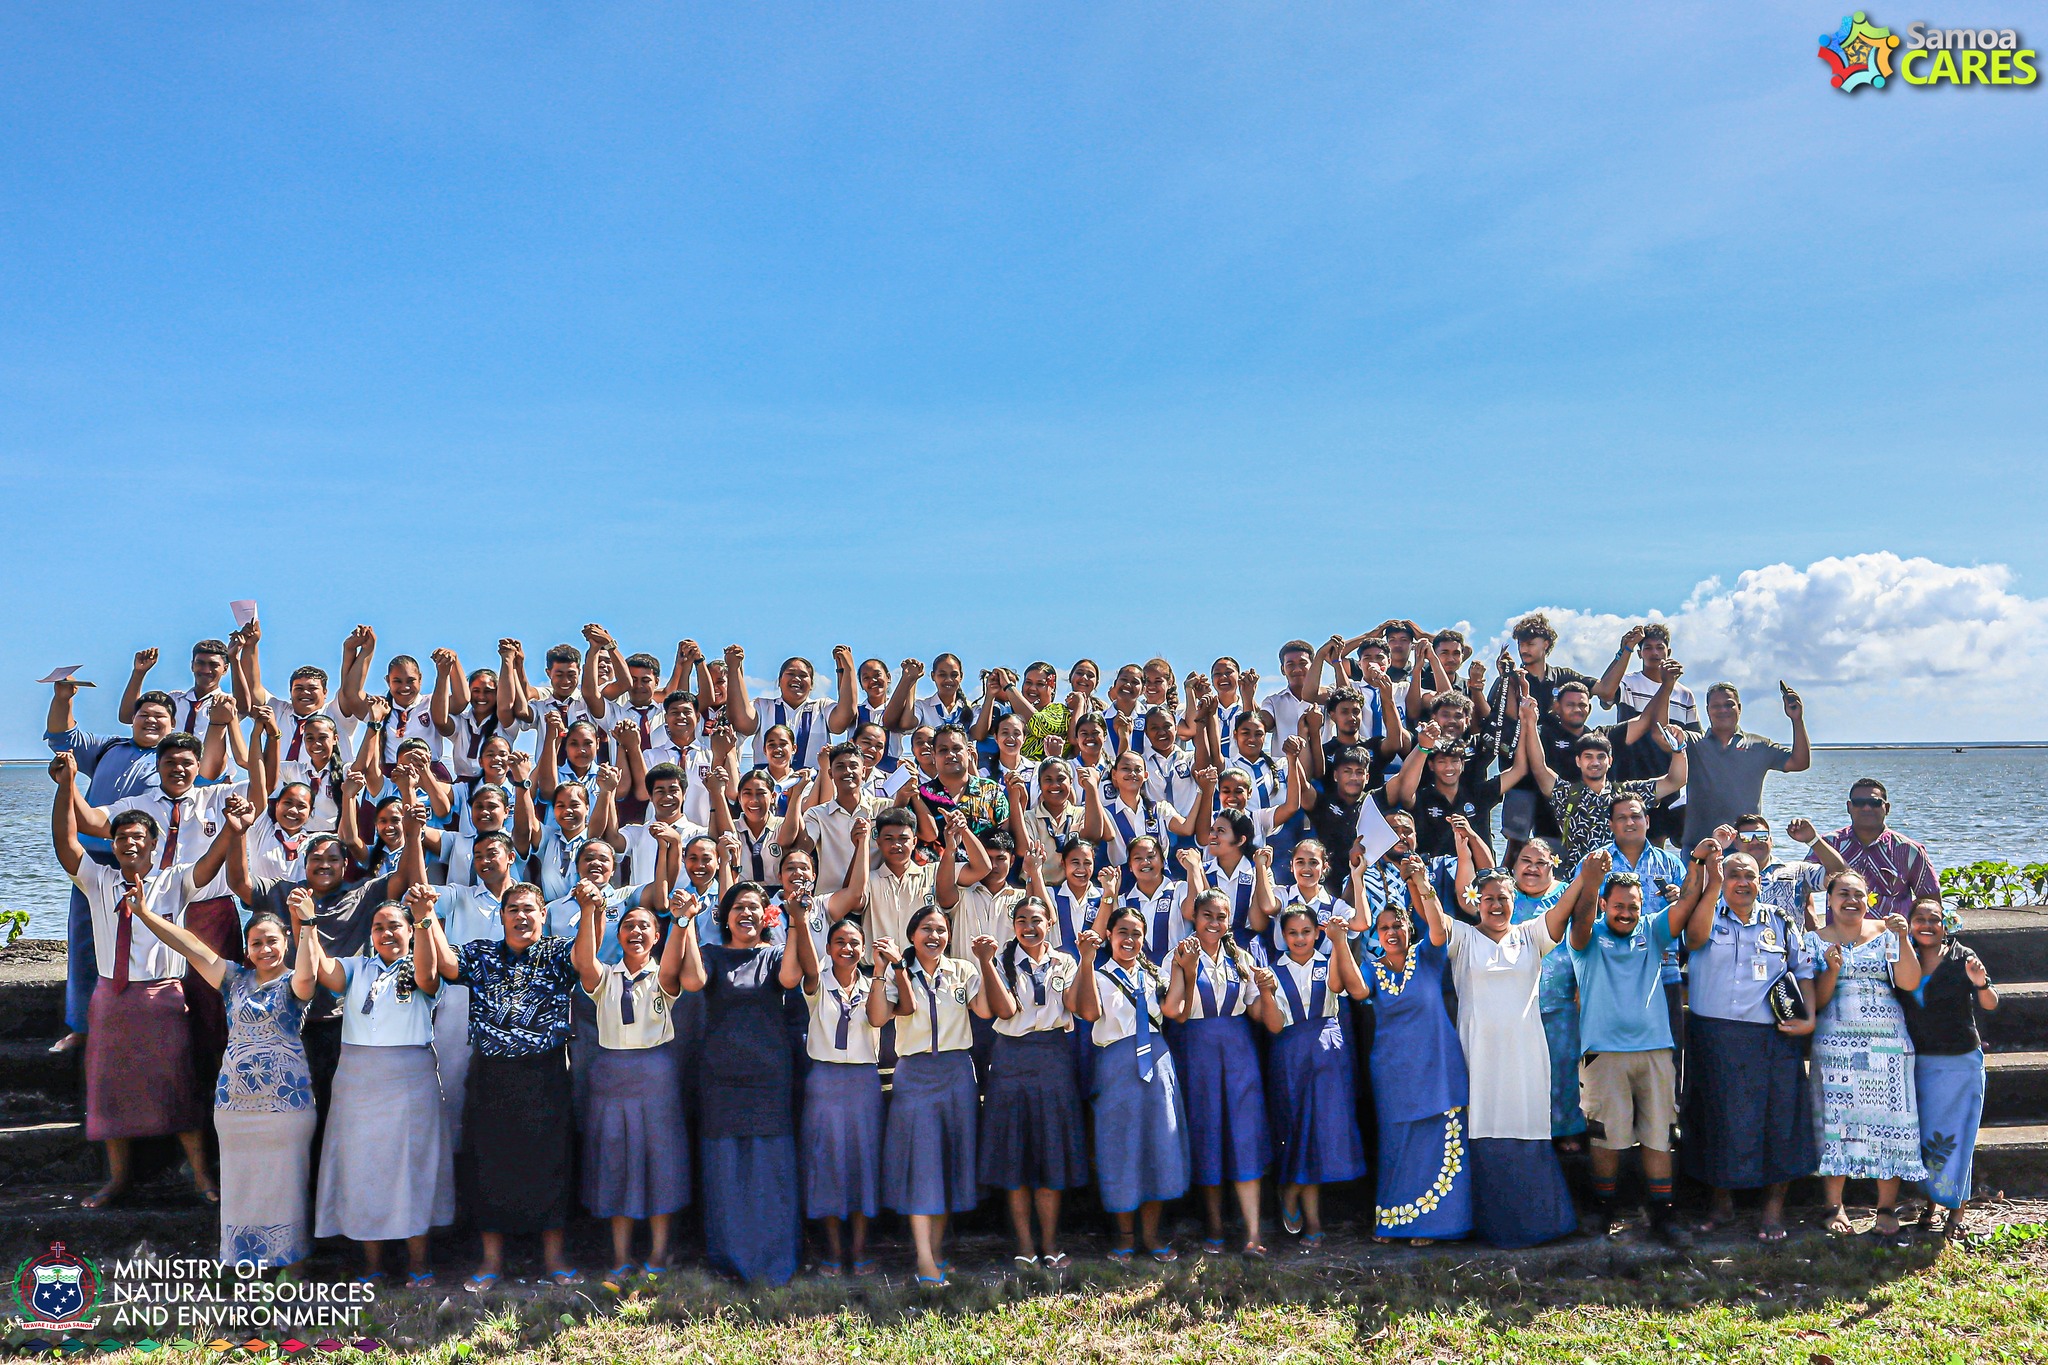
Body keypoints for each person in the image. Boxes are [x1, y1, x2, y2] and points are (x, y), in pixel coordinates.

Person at [49, 753, 248, 1208]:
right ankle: (117, 1180)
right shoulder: (98, 880)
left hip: (163, 998)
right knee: (108, 1090)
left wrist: (233, 830)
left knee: (178, 1085)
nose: (130, 844)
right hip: (111, 999)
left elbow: (210, 864)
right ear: (114, 845)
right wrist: (66, 787)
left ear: (154, 844)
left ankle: (201, 1176)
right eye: (122, 838)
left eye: (139, 837)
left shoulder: (174, 881)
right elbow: (66, 844)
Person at [127, 887, 318, 1269]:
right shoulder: (233, 979)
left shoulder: (295, 982)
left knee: (286, 1185)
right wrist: (145, 914)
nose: (265, 949)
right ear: (247, 949)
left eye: (272, 941)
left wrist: (308, 923)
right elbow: (190, 946)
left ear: (286, 943)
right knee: (242, 1186)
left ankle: (292, 1268)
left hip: (286, 1105)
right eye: (256, 943)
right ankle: (247, 1265)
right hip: (235, 1105)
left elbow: (310, 972)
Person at [414, 882, 582, 1289]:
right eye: (513, 910)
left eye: (529, 909)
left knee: (551, 1165)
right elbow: (448, 966)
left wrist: (592, 911)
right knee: (488, 1166)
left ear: (543, 915)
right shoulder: (482, 954)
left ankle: (554, 1259)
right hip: (491, 1075)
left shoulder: (559, 952)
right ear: (502, 916)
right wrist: (427, 914)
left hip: (545, 1075)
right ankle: (491, 1261)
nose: (521, 916)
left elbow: (585, 962)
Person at [309, 886, 455, 1286]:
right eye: (378, 927)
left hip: (410, 1081)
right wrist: (305, 923)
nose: (386, 933)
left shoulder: (421, 963)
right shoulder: (357, 967)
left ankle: (418, 1264)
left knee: (413, 1167)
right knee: (362, 1168)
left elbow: (427, 977)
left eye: (394, 926)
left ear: (409, 931)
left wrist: (424, 919)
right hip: (357, 1082)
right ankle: (371, 1265)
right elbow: (324, 971)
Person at [1562, 852, 1705, 1248]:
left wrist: (1699, 862)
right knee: (1606, 1139)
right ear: (1604, 904)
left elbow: (1687, 902)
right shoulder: (1587, 936)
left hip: (1655, 1050)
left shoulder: (1654, 930)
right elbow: (1580, 922)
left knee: (1659, 1136)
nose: (1626, 913)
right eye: (1619, 906)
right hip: (1603, 1054)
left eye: (1633, 907)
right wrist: (1592, 879)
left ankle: (1662, 1214)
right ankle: (1604, 1208)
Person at [1679, 844, 1821, 1242]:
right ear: (1722, 879)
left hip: (1770, 1039)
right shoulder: (1706, 914)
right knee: (1714, 1120)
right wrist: (1709, 880)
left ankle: (1772, 1212)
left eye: (1750, 876)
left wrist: (1808, 1019)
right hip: (1714, 1037)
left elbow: (1803, 970)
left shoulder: (1780, 921)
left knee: (1779, 1122)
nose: (1742, 882)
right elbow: (1692, 940)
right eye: (1733, 875)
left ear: (1761, 881)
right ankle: (1720, 1206)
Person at [1443, 867, 1579, 1248]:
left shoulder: (1530, 935)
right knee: (1482, 1127)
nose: (1496, 905)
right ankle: (1486, 1227)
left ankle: (1539, 1226)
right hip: (1479, 1059)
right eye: (1488, 898)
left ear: (1514, 901)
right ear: (1477, 902)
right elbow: (1436, 919)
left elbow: (1561, 912)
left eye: (1503, 898)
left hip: (1525, 1059)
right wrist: (1420, 883)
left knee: (1526, 1126)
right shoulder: (1464, 937)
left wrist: (1584, 878)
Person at [45, 679, 183, 1052]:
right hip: (95, 859)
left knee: (149, 944)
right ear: (131, 720)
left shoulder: (174, 762)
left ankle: (143, 1024)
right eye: (144, 714)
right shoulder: (109, 747)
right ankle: (81, 1027)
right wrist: (63, 698)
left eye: (160, 716)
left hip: (148, 863)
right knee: (85, 942)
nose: (151, 720)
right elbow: (62, 736)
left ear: (172, 725)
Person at [676, 881, 803, 1285]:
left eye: (753, 907)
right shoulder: (712, 954)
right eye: (738, 908)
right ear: (726, 917)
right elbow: (692, 982)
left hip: (769, 1077)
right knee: (726, 1170)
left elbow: (791, 979)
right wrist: (686, 922)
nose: (746, 914)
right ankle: (729, 1261)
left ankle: (774, 1261)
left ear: (767, 916)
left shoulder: (775, 954)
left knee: (770, 1169)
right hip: (721, 1077)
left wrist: (796, 921)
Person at [569, 876, 692, 1279]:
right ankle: (620, 1257)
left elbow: (674, 963)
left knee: (659, 1161)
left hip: (655, 1076)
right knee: (615, 1162)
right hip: (611, 1076)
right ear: (618, 935)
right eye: (628, 926)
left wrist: (680, 921)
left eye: (644, 926)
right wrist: (589, 911)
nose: (636, 932)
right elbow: (583, 961)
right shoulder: (605, 977)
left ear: (656, 936)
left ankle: (658, 1254)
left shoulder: (662, 977)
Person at [873, 905, 996, 1287]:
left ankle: (937, 1250)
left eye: (942, 930)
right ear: (912, 935)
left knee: (947, 1164)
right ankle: (924, 1259)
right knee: (922, 1166)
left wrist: (986, 962)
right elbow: (878, 1017)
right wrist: (888, 967)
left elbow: (986, 1010)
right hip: (916, 1075)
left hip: (957, 1073)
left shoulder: (963, 970)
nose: (935, 936)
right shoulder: (899, 971)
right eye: (927, 929)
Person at [1810, 869, 1926, 1238]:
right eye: (1843, 893)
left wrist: (1903, 938)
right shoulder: (1814, 940)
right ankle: (1834, 1206)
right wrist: (1832, 970)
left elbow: (1908, 981)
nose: (1851, 900)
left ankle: (1886, 1207)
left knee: (1892, 1121)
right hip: (1835, 1045)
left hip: (1888, 1043)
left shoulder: (1887, 933)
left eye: (1859, 894)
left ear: (1868, 900)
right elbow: (1817, 1000)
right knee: (1836, 1124)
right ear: (1829, 900)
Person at [1363, 861, 1473, 1246]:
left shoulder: (1426, 957)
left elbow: (1439, 928)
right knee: (1398, 1147)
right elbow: (1354, 990)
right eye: (1384, 928)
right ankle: (1395, 1223)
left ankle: (1438, 1226)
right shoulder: (1371, 969)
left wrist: (1421, 883)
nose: (1392, 932)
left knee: (1440, 1144)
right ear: (1377, 935)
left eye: (1398, 925)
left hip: (1438, 1068)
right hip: (1394, 1072)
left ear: (1410, 928)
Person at [976, 895, 1089, 1269]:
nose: (1029, 927)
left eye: (1036, 920)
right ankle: (1025, 1246)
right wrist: (986, 962)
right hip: (1011, 1059)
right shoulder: (1001, 961)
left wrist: (1087, 960)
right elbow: (1005, 1010)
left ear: (1049, 924)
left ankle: (1051, 1243)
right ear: (1013, 926)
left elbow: (1077, 1006)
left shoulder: (1064, 961)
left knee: (1050, 1153)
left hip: (1053, 1058)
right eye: (1022, 920)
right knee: (1016, 1155)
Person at [1075, 910, 1191, 1264]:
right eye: (1122, 932)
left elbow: (1175, 1011)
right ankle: (1125, 1238)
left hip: (1157, 1064)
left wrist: (1180, 970)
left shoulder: (1154, 975)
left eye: (1136, 933)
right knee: (1121, 1149)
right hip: (1117, 1068)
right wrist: (1086, 960)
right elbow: (1089, 1013)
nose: (1129, 939)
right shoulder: (1098, 975)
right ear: (1109, 935)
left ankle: (1152, 1236)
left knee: (1158, 1146)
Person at [1164, 889, 1272, 1258]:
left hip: (1239, 1050)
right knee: (1206, 1132)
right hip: (1196, 1050)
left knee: (1245, 1134)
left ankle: (1253, 1232)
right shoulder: (1178, 954)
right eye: (1207, 915)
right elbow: (1175, 1012)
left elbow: (1255, 1011)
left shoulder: (1240, 957)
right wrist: (1188, 971)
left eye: (1221, 916)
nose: (1214, 922)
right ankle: (1214, 1227)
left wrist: (1268, 992)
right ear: (1194, 918)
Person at [1256, 904, 1370, 1250]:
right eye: (1292, 933)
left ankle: (1302, 1205)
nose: (1300, 938)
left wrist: (1339, 942)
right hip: (1291, 1056)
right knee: (1299, 1131)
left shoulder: (1328, 961)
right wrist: (1265, 992)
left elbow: (1356, 990)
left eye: (1306, 931)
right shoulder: (1273, 971)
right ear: (1283, 936)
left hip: (1328, 1055)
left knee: (1322, 1134)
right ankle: (1302, 1208)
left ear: (1316, 933)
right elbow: (1274, 1026)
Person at [1899, 897, 1999, 1239]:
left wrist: (1980, 982)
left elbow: (1991, 1002)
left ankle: (1956, 1213)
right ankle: (1931, 1205)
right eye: (1920, 918)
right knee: (1928, 1138)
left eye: (1934, 919)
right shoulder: (1904, 955)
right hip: (1920, 1063)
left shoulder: (1961, 956)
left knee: (1958, 1137)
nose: (1927, 925)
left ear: (1946, 925)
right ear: (1910, 923)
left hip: (1960, 1063)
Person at [794, 909, 885, 1277]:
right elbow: (807, 964)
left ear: (864, 949)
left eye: (854, 943)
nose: (847, 948)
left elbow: (881, 1017)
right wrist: (800, 922)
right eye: (840, 942)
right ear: (829, 948)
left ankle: (860, 1250)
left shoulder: (875, 983)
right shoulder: (818, 984)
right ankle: (832, 1251)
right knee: (826, 1162)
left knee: (864, 1162)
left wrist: (881, 971)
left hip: (863, 1081)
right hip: (825, 1081)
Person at [1519, 694, 1689, 870]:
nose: (1595, 762)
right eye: (1588, 757)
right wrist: (1530, 723)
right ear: (1578, 761)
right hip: (1578, 878)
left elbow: (1675, 781)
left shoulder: (1629, 795)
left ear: (1610, 761)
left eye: (1601, 757)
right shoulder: (1566, 793)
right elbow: (1539, 767)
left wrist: (1679, 748)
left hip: (1621, 879)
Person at [1680, 682, 1811, 848]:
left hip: (1747, 846)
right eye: (1716, 706)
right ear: (1707, 710)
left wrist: (1797, 719)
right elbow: (1662, 738)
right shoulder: (1693, 743)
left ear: (1739, 708)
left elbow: (1799, 763)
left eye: (1729, 704)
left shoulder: (1759, 746)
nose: (1723, 710)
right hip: (1699, 845)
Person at [1815, 779, 1942, 920]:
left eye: (1875, 802)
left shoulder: (1909, 850)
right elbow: (1802, 885)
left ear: (1886, 808)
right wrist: (1812, 924)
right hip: (1838, 934)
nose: (1866, 808)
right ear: (1849, 807)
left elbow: (1931, 901)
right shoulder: (1828, 844)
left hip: (1893, 933)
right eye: (1859, 803)